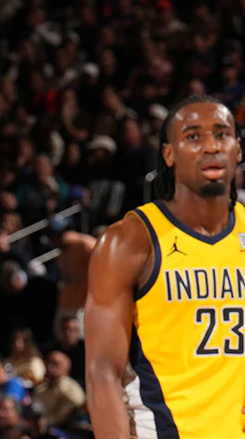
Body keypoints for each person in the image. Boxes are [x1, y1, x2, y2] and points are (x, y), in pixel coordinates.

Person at [85, 95, 245, 438]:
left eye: (221, 134)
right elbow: (102, 373)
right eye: (193, 137)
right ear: (169, 155)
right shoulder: (129, 241)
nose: (210, 146)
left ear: (238, 149)